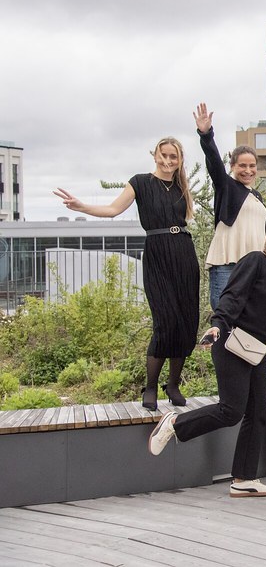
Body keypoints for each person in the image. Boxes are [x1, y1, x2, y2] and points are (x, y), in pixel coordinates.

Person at [148, 219, 266, 498]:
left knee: (257, 414)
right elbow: (232, 295)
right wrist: (218, 324)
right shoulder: (256, 261)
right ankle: (174, 423)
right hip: (231, 342)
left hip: (255, 350)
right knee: (231, 411)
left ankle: (243, 479)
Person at [54, 137, 199, 410]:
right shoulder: (140, 182)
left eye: (174, 157)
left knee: (186, 322)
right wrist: (82, 207)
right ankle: (151, 386)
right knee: (165, 322)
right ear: (155, 155)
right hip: (157, 254)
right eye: (164, 155)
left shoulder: (181, 186)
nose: (168, 161)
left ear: (180, 160)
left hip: (184, 253)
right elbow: (112, 209)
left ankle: (173, 385)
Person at [194, 103, 266, 309]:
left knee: (250, 319)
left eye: (252, 166)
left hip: (254, 267)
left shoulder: (257, 196)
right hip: (228, 263)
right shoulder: (226, 186)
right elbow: (214, 162)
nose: (248, 170)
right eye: (242, 165)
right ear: (232, 166)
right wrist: (206, 134)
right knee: (224, 316)